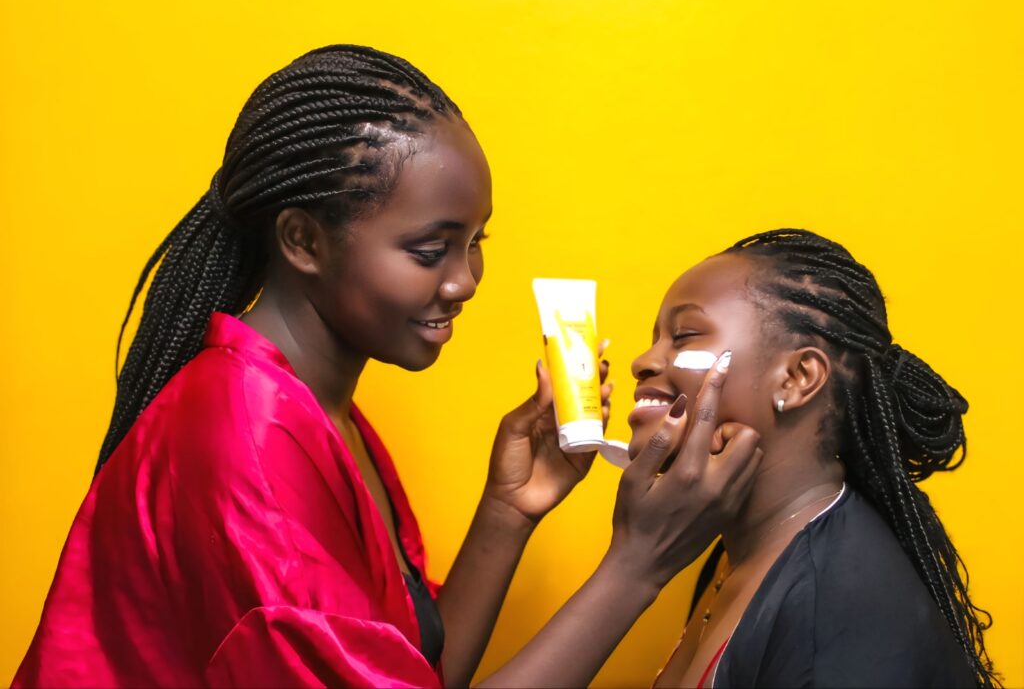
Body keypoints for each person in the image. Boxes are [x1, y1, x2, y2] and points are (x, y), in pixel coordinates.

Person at [13, 45, 763, 688]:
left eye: (475, 244)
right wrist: (638, 565)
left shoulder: (311, 409)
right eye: (431, 250)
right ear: (303, 240)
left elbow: (408, 670)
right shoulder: (249, 447)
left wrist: (506, 512)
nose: (464, 281)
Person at [627, 229, 996, 688]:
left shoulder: (838, 617)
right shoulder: (734, 553)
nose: (643, 361)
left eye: (683, 336)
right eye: (656, 338)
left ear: (797, 377)